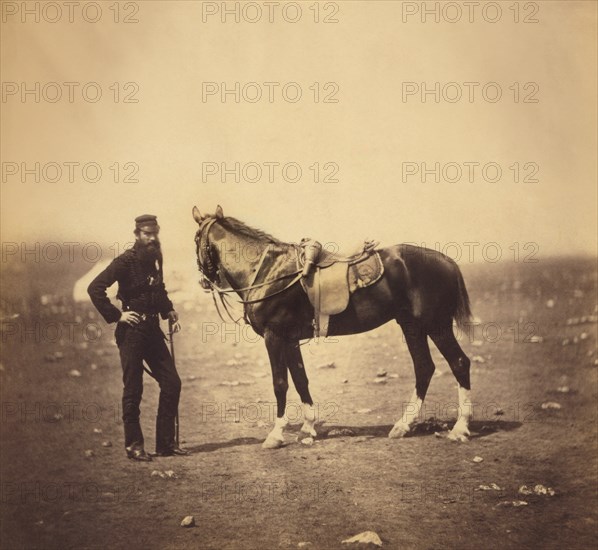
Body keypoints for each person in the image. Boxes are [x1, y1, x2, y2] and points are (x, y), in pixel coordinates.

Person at [88, 215, 188, 461]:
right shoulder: (124, 261)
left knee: (172, 383)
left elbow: (158, 288)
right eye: (146, 234)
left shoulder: (155, 257)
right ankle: (134, 445)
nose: (152, 238)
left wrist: (168, 309)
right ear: (137, 235)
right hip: (131, 333)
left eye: (154, 233)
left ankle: (165, 444)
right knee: (133, 389)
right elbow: (95, 288)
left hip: (153, 331)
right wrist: (117, 315)